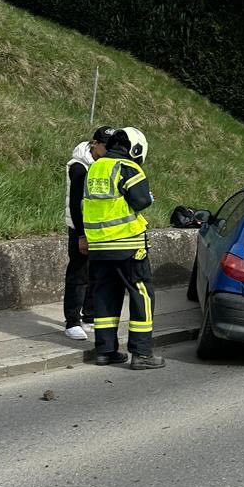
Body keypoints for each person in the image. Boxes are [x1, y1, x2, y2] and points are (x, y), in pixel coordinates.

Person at [83, 127, 164, 369]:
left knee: (105, 295)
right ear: (136, 149)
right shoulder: (129, 167)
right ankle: (142, 353)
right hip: (127, 243)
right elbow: (140, 200)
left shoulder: (95, 166)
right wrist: (148, 196)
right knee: (142, 295)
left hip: (98, 244)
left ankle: (105, 351)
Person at [63, 125, 115, 340]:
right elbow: (76, 204)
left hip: (99, 227)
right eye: (106, 146)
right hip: (80, 228)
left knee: (97, 273)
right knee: (78, 273)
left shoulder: (105, 164)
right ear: (95, 144)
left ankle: (89, 316)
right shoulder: (79, 167)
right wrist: (82, 236)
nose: (110, 150)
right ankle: (72, 321)